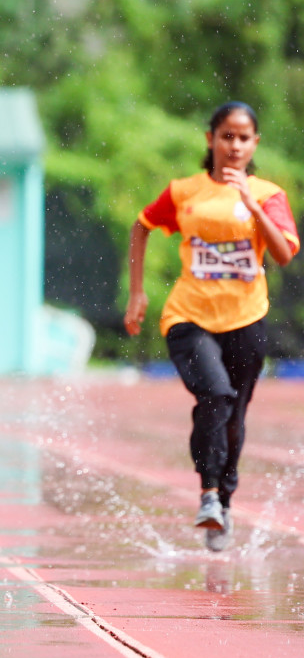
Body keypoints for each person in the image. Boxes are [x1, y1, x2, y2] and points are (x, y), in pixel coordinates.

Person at [125, 101, 298, 552]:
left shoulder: (267, 194)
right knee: (215, 394)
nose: (234, 145)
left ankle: (224, 499)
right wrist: (137, 293)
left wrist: (251, 206)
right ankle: (207, 493)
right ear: (211, 139)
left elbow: (283, 254)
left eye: (244, 138)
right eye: (226, 136)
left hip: (245, 318)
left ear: (254, 144)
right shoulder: (184, 192)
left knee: (233, 418)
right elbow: (141, 226)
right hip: (190, 316)